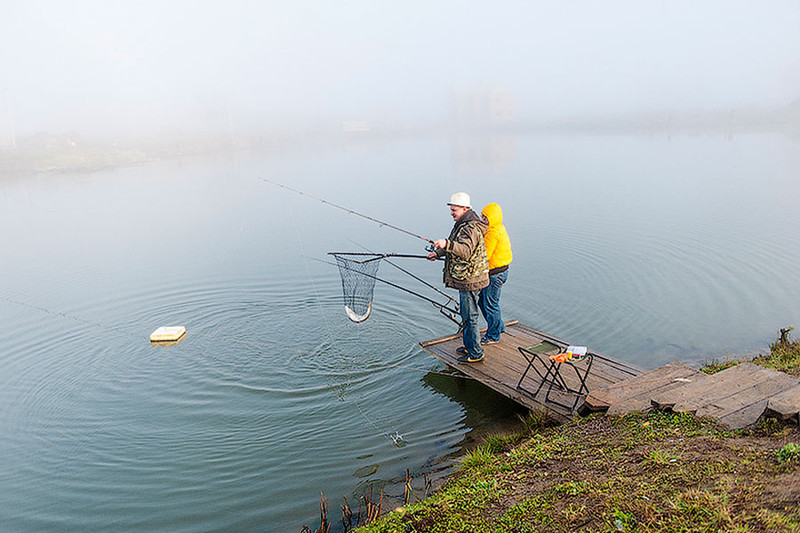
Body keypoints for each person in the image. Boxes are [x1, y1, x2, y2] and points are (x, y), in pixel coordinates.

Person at [427, 192, 489, 363]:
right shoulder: (463, 223)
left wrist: (446, 244)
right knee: (467, 315)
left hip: (470, 279)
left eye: (454, 210)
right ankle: (470, 346)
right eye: (451, 209)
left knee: (470, 317)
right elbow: (456, 244)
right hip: (467, 277)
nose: (451, 212)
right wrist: (438, 252)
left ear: (465, 209)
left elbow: (465, 251)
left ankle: (476, 353)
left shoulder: (469, 227)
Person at [478, 203, 513, 344]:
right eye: (482, 216)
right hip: (501, 272)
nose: (482, 220)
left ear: (491, 218)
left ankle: (493, 336)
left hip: (495, 274)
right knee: (483, 301)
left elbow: (484, 255)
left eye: (485, 218)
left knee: (490, 304)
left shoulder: (492, 233)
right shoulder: (499, 227)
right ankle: (499, 327)